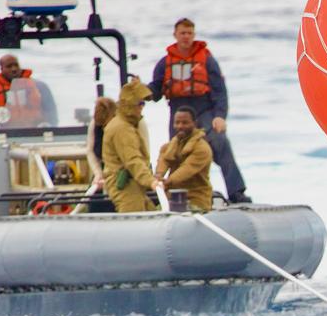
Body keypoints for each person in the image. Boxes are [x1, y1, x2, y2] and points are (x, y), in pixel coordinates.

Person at [149, 17, 250, 203]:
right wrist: (143, 92)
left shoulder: (206, 60)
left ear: (194, 35)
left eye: (189, 33)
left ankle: (236, 192)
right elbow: (156, 89)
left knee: (220, 144)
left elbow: (219, 90)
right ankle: (171, 193)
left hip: (204, 111)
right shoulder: (165, 63)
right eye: (182, 33)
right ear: (175, 35)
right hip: (178, 112)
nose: (186, 37)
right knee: (175, 152)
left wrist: (220, 116)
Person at [101, 78, 161, 212]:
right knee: (135, 217)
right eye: (140, 103)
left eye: (143, 104)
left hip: (133, 184)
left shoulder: (127, 125)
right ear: (130, 104)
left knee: (151, 212)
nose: (142, 107)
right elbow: (132, 160)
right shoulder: (122, 129)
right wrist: (151, 181)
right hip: (125, 186)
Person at [0, 54, 57, 133]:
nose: (14, 69)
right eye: (9, 66)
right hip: (8, 136)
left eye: (16, 65)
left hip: (38, 134)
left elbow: (52, 115)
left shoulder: (40, 88)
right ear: (2, 69)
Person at [154, 106, 213, 212]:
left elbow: (186, 170)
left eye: (185, 123)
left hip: (196, 198)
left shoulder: (202, 149)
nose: (180, 126)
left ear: (194, 123)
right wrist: (158, 176)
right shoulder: (168, 146)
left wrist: (167, 182)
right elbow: (164, 160)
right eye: (177, 123)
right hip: (172, 198)